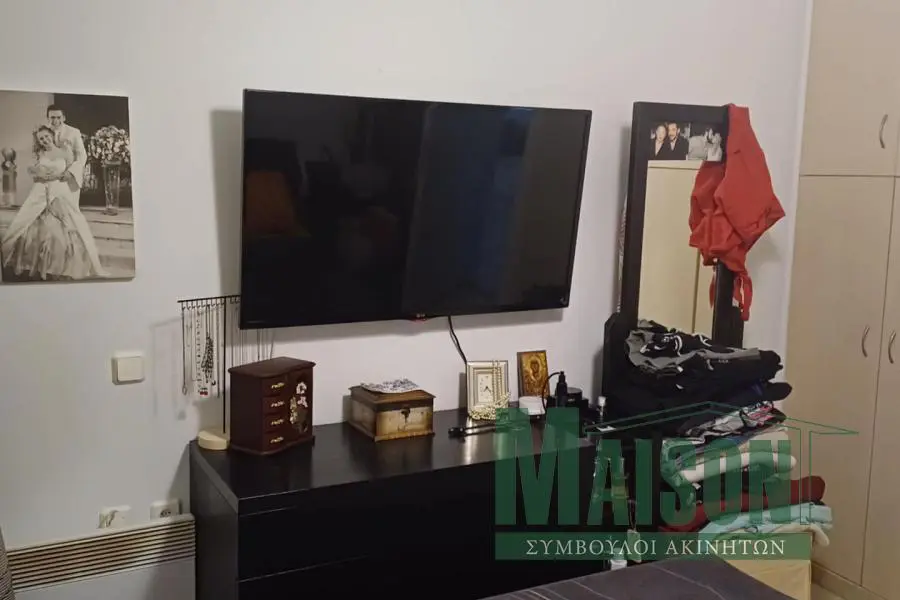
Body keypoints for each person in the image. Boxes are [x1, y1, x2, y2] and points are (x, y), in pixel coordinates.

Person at [0, 125, 107, 281]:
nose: (45, 140)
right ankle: (33, 263)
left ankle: (63, 266)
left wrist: (60, 176)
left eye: (46, 136)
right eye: (41, 139)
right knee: (28, 223)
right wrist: (40, 175)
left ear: (51, 135)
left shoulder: (65, 151)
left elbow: (70, 172)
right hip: (41, 190)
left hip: (59, 189)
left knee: (69, 223)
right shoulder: (40, 154)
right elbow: (34, 173)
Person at [46, 105, 87, 206]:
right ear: (48, 118)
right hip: (51, 178)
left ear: (64, 118)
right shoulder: (43, 133)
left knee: (69, 209)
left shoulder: (74, 132)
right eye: (52, 117)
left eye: (58, 117)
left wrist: (71, 172)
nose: (56, 121)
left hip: (69, 176)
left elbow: (82, 156)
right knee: (52, 209)